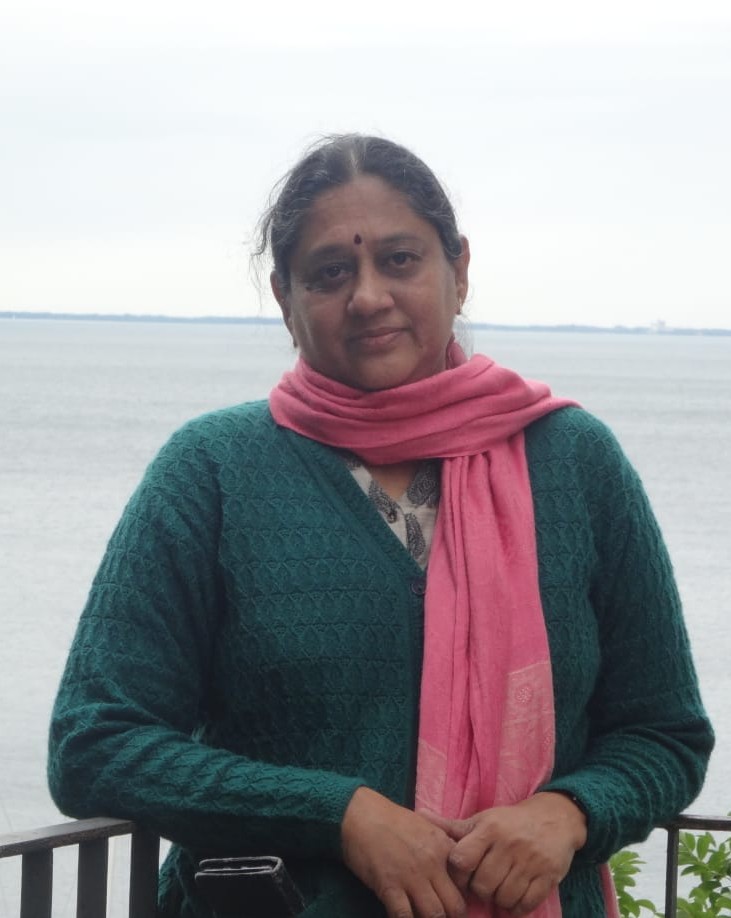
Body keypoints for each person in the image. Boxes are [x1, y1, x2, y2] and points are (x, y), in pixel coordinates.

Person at [48, 134, 713, 918]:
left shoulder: (572, 462)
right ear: (285, 299)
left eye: (399, 260)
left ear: (459, 270)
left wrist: (568, 812)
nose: (367, 297)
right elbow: (94, 741)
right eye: (329, 273)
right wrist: (338, 815)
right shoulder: (214, 471)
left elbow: (663, 733)